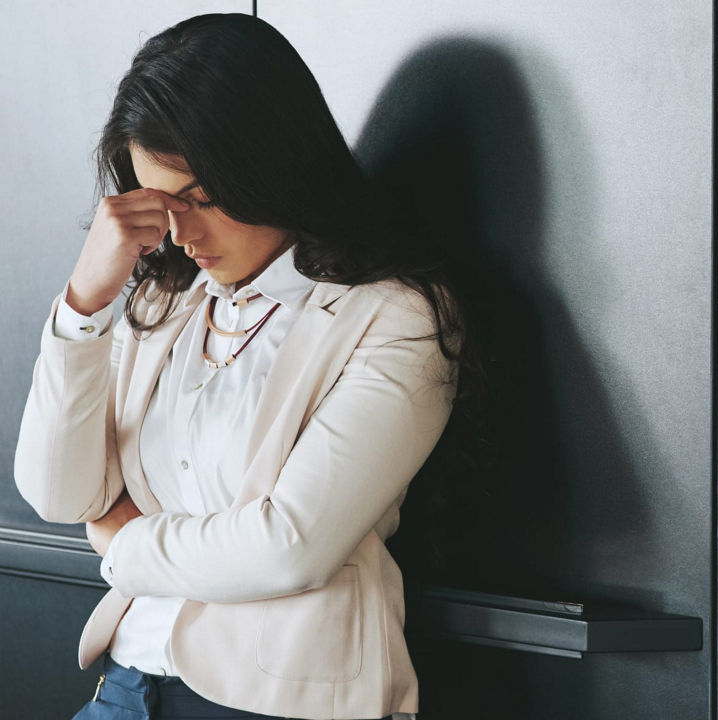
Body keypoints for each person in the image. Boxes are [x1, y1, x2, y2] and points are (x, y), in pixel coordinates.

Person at [13, 13, 475, 720]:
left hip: (282, 700)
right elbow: (57, 495)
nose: (181, 233)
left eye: (200, 198)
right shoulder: (164, 303)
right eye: (161, 205)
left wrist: (125, 540)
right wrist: (86, 302)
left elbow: (289, 547)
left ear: (271, 163)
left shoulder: (394, 315)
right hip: (124, 687)